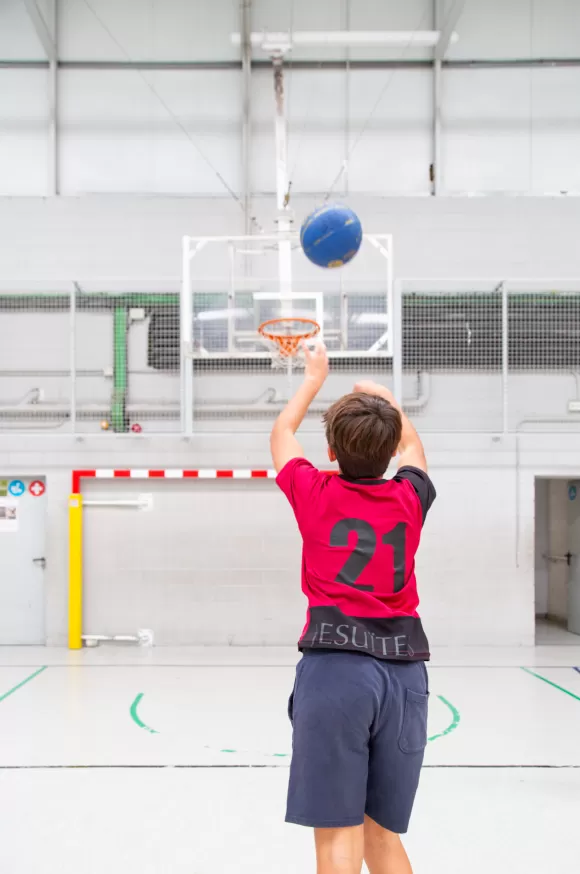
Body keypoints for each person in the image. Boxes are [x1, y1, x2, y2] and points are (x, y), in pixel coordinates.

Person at [270, 341, 436, 874]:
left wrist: (314, 377)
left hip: (336, 670)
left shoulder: (313, 490)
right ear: (389, 452)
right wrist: (387, 402)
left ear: (331, 452)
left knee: (338, 837)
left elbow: (281, 433)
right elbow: (413, 447)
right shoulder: (409, 497)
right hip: (405, 675)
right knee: (382, 835)